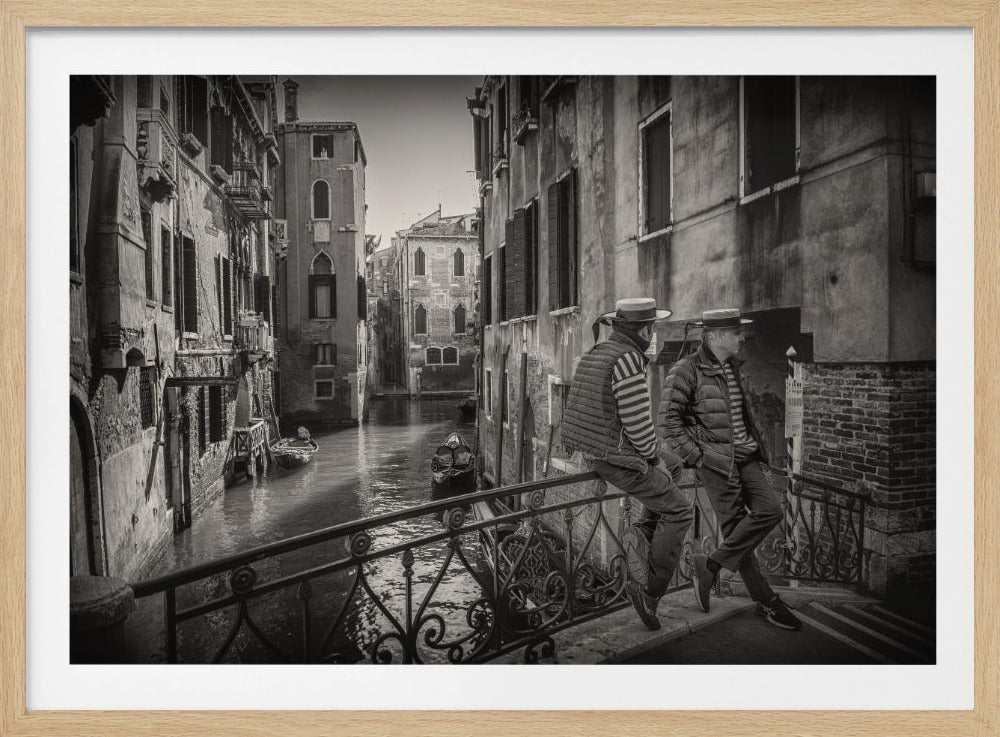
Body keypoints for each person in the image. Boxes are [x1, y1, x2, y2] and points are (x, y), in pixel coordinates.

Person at [659, 308, 801, 630]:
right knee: (739, 530)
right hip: (715, 464)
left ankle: (709, 564)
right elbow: (668, 423)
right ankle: (767, 602)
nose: (741, 337)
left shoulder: (732, 367)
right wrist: (698, 457)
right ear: (716, 336)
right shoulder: (685, 370)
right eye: (736, 332)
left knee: (771, 510)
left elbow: (739, 417)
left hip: (745, 456)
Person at [562, 298, 694, 631]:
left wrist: (660, 459)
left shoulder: (598, 352)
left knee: (675, 465)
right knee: (681, 509)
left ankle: (641, 534)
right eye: (653, 328)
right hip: (616, 457)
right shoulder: (628, 360)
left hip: (597, 450)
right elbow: (638, 425)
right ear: (646, 329)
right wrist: (652, 459)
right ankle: (649, 590)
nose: (654, 335)